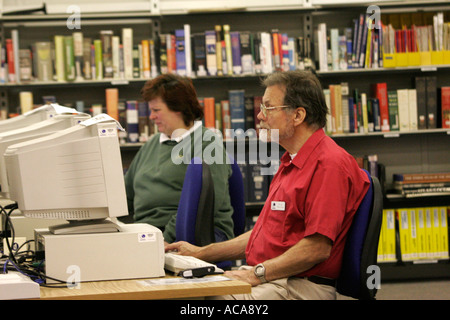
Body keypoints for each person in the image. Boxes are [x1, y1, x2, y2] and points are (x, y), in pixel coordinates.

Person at [165, 70, 370, 300]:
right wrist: (201, 253)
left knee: (201, 301)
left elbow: (316, 248)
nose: (259, 117)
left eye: (267, 108)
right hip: (274, 279)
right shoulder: (291, 161)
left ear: (298, 115)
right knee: (186, 290)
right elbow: (264, 234)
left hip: (298, 286)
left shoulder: (329, 165)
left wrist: (256, 274)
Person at [124, 73, 234, 244]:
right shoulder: (152, 144)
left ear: (178, 108)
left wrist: (166, 239)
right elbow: (126, 195)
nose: (151, 116)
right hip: (148, 233)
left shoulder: (207, 143)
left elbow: (204, 205)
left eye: (156, 110)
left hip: (197, 232)